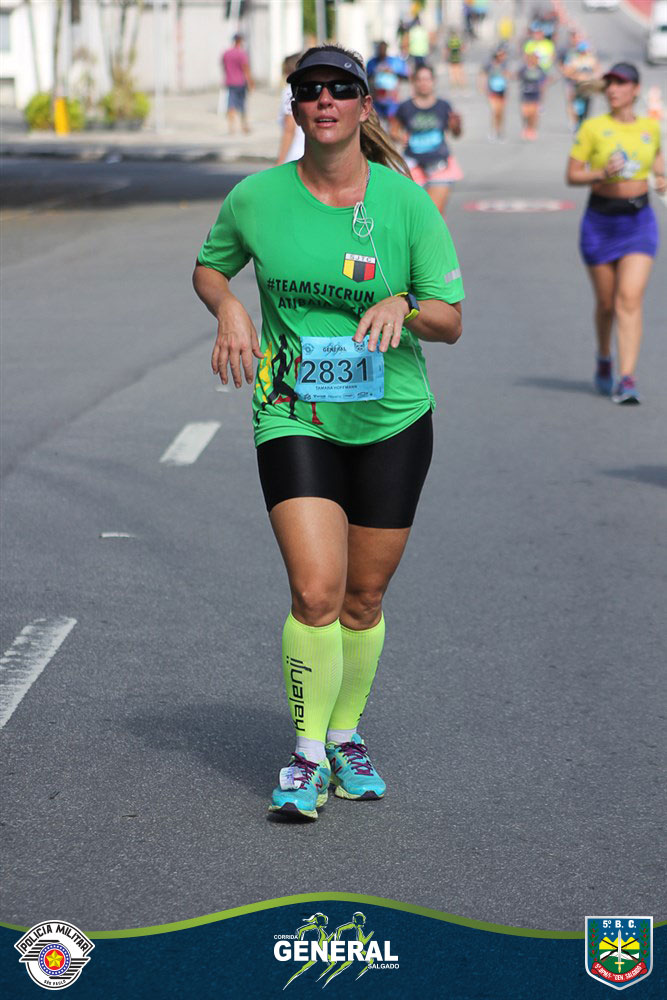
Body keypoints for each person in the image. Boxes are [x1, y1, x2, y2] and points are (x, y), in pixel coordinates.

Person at [193, 44, 464, 820]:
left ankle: (346, 736)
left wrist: (403, 305)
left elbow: (449, 319)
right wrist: (229, 306)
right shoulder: (255, 198)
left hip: (390, 418)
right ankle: (307, 756)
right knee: (316, 592)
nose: (324, 99)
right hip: (294, 412)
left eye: (340, 88)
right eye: (308, 88)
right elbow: (210, 267)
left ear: (363, 106)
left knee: (363, 597)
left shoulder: (405, 204)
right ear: (295, 105)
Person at [566, 62, 665, 404]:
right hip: (600, 222)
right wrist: (601, 173)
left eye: (621, 84)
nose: (613, 89)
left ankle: (628, 378)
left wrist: (662, 179)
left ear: (635, 89)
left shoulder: (650, 127)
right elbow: (572, 174)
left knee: (629, 298)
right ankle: (604, 356)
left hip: (639, 222)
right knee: (607, 303)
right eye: (609, 83)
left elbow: (658, 165)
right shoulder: (593, 128)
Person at [391, 64, 463, 218]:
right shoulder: (405, 107)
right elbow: (393, 131)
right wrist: (400, 137)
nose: (424, 83)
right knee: (414, 215)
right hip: (413, 164)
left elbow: (456, 134)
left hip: (439, 164)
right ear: (414, 82)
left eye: (427, 79)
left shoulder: (444, 106)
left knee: (434, 215)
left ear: (433, 81)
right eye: (420, 79)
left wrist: (456, 126)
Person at [366, 40, 409, 125]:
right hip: (377, 96)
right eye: (380, 49)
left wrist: (391, 71)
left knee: (392, 120)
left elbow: (405, 76)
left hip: (391, 97)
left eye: (383, 49)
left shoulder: (394, 61)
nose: (381, 51)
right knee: (377, 120)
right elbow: (367, 76)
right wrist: (377, 71)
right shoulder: (372, 62)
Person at [562, 40, 601, 130]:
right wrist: (576, 76)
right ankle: (576, 123)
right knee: (576, 106)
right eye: (581, 51)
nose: (583, 52)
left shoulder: (591, 60)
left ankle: (584, 123)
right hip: (577, 86)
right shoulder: (574, 60)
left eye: (584, 50)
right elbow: (567, 72)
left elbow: (598, 71)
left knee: (587, 105)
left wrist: (592, 77)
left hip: (588, 87)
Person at [221, 33, 253, 133]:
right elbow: (246, 69)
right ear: (240, 41)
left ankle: (231, 127)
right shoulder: (241, 54)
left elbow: (224, 66)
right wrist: (250, 82)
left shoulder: (226, 53)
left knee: (231, 104)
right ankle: (244, 126)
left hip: (230, 82)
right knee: (242, 104)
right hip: (240, 82)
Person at [276, 52, 305, 164]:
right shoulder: (307, 90)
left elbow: (289, 129)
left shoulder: (289, 91)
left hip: (294, 155)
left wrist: (280, 161)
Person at [480, 46, 510, 141]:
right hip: (492, 91)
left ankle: (500, 130)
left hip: (502, 91)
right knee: (495, 111)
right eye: (501, 55)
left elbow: (507, 76)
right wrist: (483, 87)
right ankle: (493, 131)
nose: (503, 57)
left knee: (501, 112)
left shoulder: (504, 65)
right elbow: (483, 75)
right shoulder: (490, 65)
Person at [518, 50, 548, 140]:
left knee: (533, 114)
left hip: (535, 94)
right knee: (525, 113)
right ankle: (526, 127)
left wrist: (542, 95)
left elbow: (543, 82)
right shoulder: (524, 69)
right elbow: (518, 76)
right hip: (525, 93)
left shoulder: (540, 70)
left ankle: (532, 129)